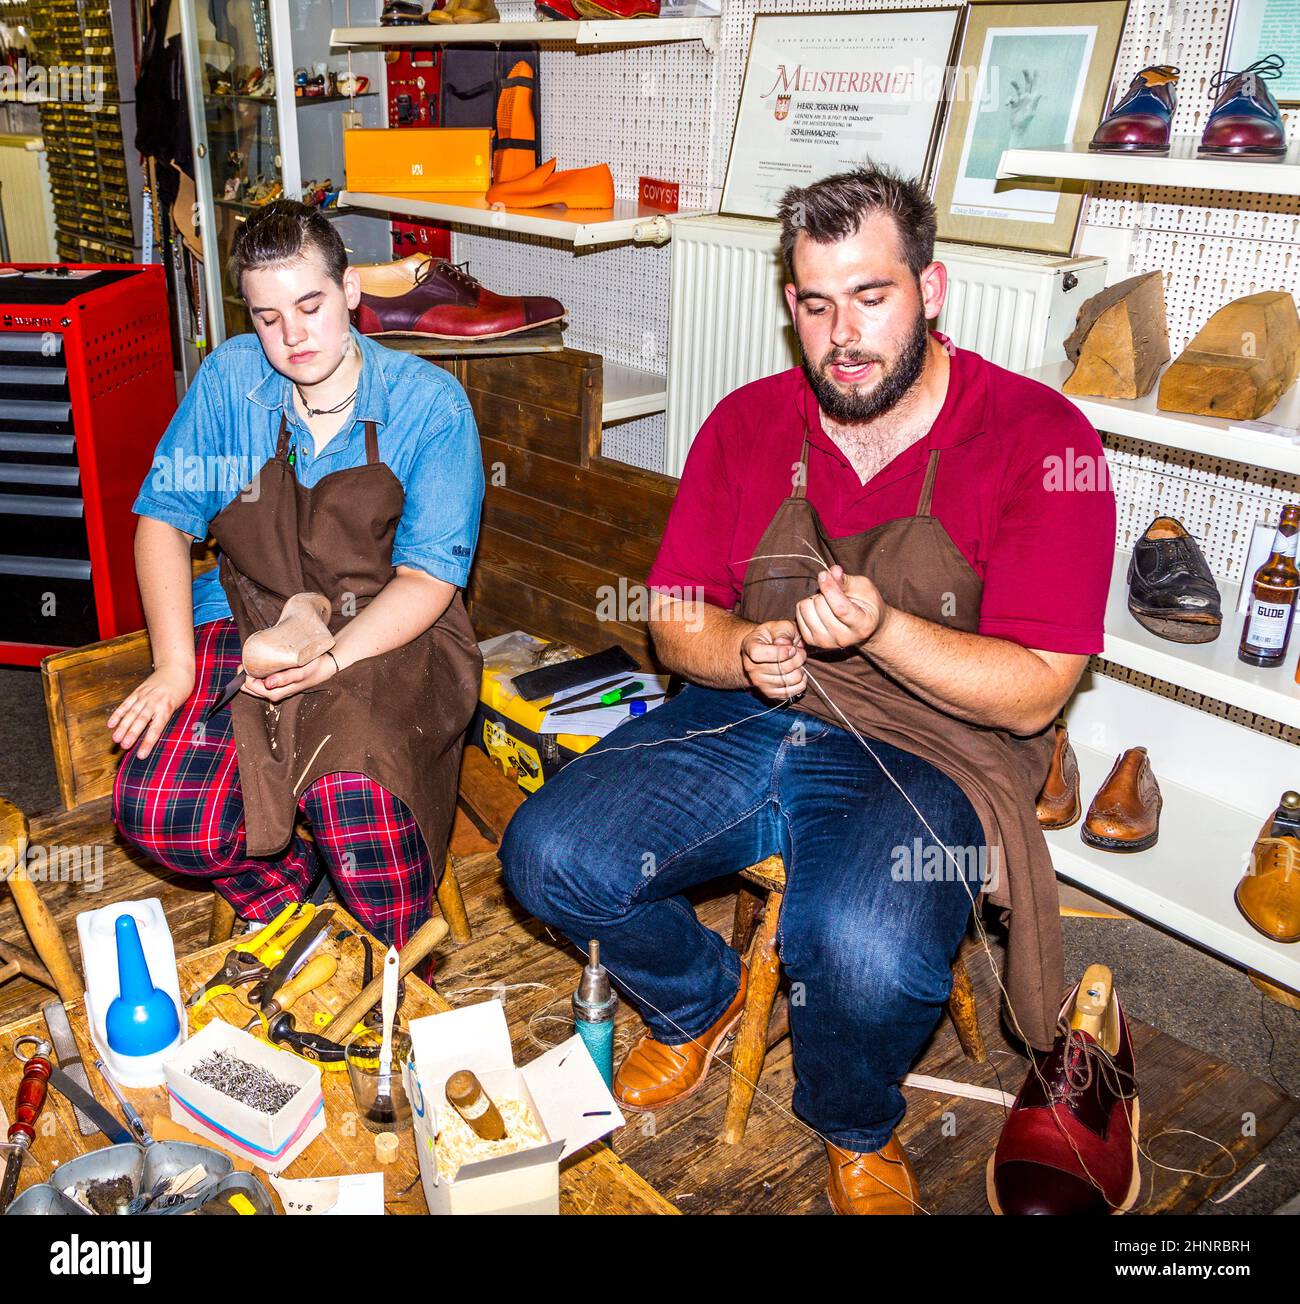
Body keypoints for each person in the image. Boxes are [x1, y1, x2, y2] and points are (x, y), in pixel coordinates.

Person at [500, 167, 1115, 1213]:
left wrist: (883, 628)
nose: (844, 334)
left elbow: (1029, 697)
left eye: (872, 295)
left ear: (931, 286)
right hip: (756, 713)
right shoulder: (746, 424)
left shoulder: (1043, 441)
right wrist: (744, 649)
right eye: (817, 302)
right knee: (548, 855)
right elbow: (675, 616)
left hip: (936, 748)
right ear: (790, 304)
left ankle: (851, 1117)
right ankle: (693, 1003)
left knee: (862, 950)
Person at [111, 201, 483, 949]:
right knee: (161, 806)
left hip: (385, 625)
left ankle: (394, 957)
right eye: (267, 316)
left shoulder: (428, 406)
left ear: (349, 292)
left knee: (359, 802)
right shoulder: (230, 381)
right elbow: (162, 519)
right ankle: (288, 906)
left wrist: (331, 658)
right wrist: (174, 666)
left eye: (311, 306)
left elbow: (428, 582)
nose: (292, 336)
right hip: (251, 608)